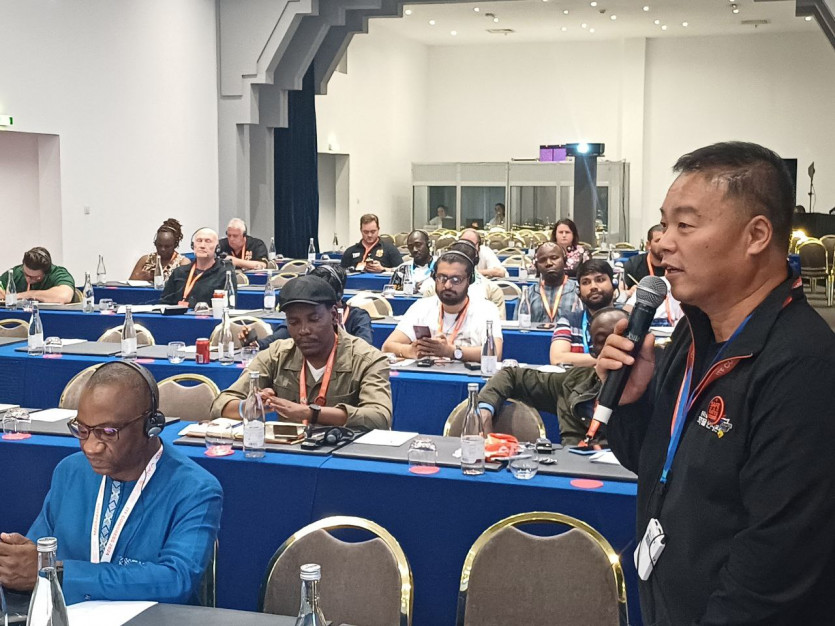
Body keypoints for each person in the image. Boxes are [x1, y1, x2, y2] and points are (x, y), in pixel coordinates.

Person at [597, 141, 835, 625]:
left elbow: (774, 565)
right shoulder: (694, 334)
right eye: (664, 225)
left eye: (685, 226)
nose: (663, 243)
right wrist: (630, 402)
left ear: (756, 235)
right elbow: (658, 468)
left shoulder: (802, 365)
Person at [0, 362, 222, 605]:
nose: (90, 447)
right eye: (82, 430)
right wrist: (16, 561)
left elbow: (175, 581)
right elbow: (39, 553)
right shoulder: (70, 471)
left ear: (151, 426)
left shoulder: (195, 489)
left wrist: (60, 573)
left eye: (107, 432)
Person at [212, 275, 392, 431]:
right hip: (288, 452)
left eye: (313, 319)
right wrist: (250, 406)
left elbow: (380, 417)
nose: (303, 330)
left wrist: (310, 413)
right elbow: (220, 405)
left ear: (333, 317)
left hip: (345, 453)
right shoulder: (276, 354)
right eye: (294, 322)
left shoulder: (367, 359)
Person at [477, 307, 627, 444]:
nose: (614, 346)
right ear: (593, 351)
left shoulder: (642, 396)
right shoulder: (572, 382)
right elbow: (510, 375)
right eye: (603, 340)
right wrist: (485, 412)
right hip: (573, 462)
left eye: (622, 337)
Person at [382, 250, 503, 362]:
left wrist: (451, 351)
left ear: (469, 281)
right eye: (442, 278)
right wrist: (410, 351)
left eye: (456, 279)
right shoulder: (421, 307)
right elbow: (387, 346)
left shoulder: (486, 309)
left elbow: (495, 353)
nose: (447, 285)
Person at [240, 265, 373, 348]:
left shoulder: (357, 317)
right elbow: (279, 337)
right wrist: (255, 343)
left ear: (338, 295)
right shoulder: (303, 313)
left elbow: (364, 349)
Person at [550, 259, 616, 367]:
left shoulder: (627, 320)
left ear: (614, 284)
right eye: (586, 282)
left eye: (600, 280)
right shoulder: (569, 321)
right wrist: (607, 358)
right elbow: (557, 358)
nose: (593, 287)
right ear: (579, 291)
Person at [420, 240, 507, 320]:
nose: (448, 285)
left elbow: (499, 327)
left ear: (470, 279)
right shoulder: (430, 292)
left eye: (456, 279)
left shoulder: (492, 292)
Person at [159, 228, 228, 308]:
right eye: (199, 241)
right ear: (193, 246)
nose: (202, 246)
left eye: (208, 241)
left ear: (217, 248)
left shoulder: (224, 275)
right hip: (178, 315)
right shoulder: (179, 272)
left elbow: (227, 307)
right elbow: (164, 303)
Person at [515, 242, 580, 325]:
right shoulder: (527, 294)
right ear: (537, 266)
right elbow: (518, 328)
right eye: (542, 260)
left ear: (564, 260)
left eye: (554, 258)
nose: (549, 263)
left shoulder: (579, 291)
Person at [0, 247, 75, 304]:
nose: (28, 280)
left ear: (46, 272)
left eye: (35, 277)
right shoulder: (16, 272)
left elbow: (64, 296)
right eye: (26, 274)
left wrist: (28, 294)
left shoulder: (58, 274)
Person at [622, 225, 665, 294]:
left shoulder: (678, 264)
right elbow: (620, 292)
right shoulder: (633, 264)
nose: (663, 245)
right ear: (649, 245)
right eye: (658, 241)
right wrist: (629, 292)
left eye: (666, 240)